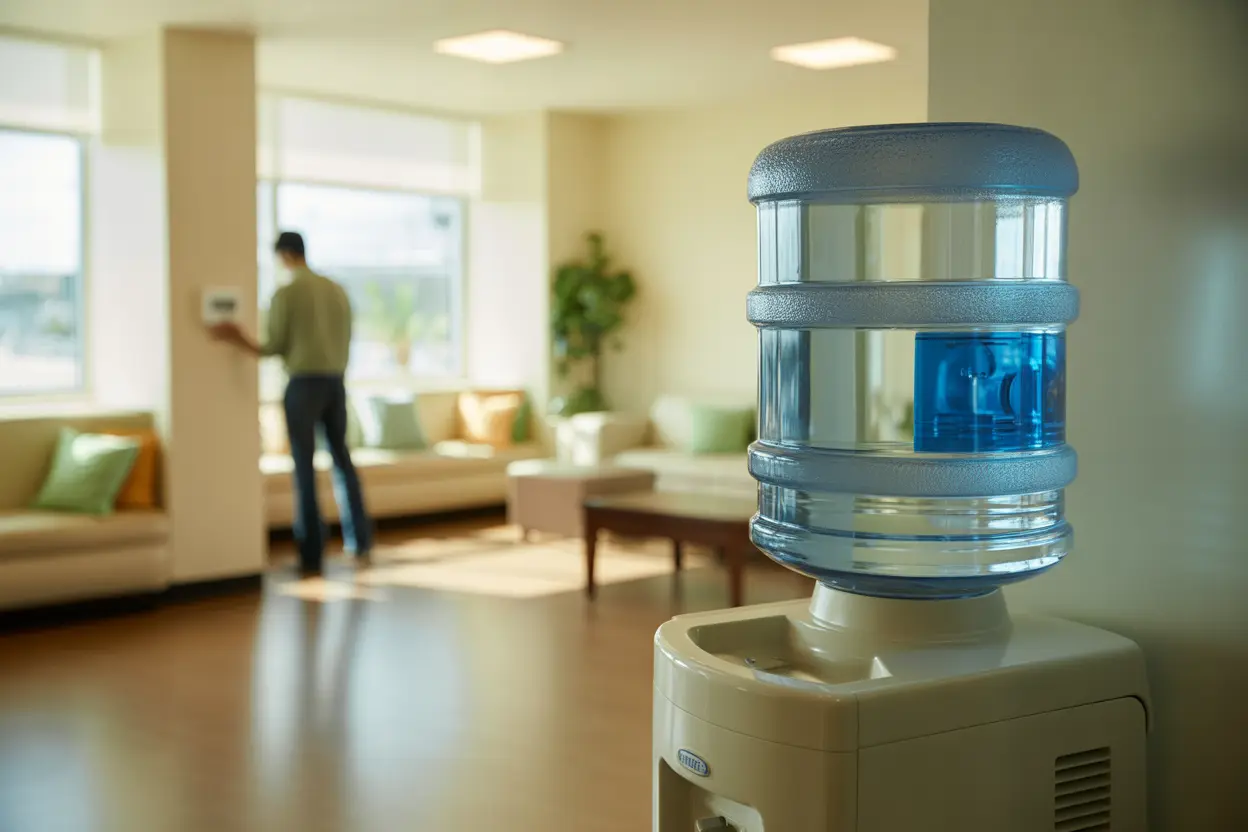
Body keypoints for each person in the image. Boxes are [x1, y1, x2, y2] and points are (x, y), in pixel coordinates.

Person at [210, 231, 372, 576]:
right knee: (342, 459)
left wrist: (236, 337)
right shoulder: (337, 290)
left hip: (303, 385)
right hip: (335, 382)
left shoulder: (287, 292)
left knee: (304, 465)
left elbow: (273, 347)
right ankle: (360, 540)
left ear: (283, 255)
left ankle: (311, 553)